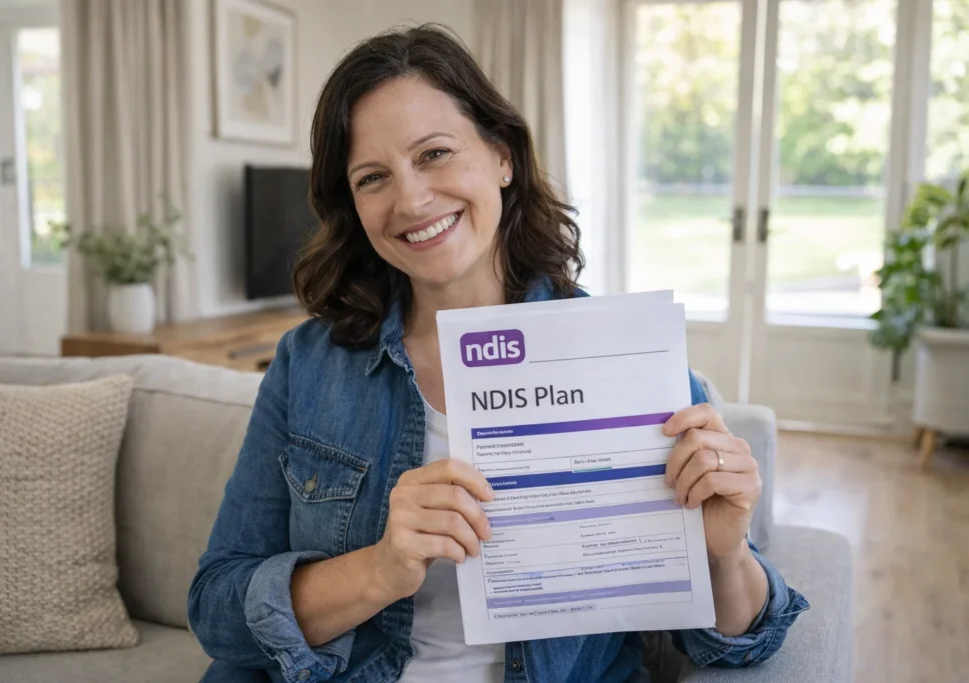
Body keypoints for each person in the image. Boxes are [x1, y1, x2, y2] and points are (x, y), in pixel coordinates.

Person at [188, 24, 808, 683]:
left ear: (503, 156)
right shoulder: (309, 363)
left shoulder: (622, 356)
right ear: (352, 205)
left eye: (434, 154)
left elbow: (741, 642)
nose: (411, 199)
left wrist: (722, 552)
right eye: (373, 177)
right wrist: (377, 569)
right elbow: (217, 611)